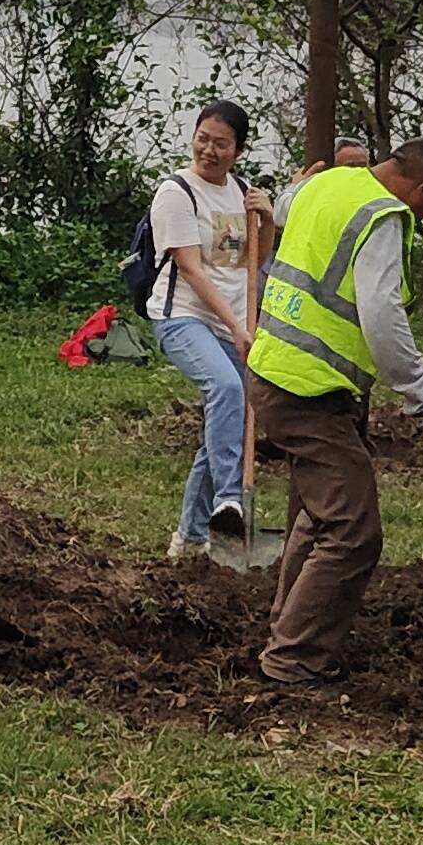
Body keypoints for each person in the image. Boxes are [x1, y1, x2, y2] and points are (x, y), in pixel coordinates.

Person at [241, 136, 423, 684]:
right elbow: (382, 318)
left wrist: (296, 184)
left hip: (273, 369)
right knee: (353, 531)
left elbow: (287, 205)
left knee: (321, 515)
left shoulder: (330, 182)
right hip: (309, 391)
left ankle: (287, 631)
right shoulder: (383, 216)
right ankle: (293, 660)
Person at [148, 100, 271, 557]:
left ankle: (190, 537)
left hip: (232, 323)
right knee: (225, 389)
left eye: (221, 143)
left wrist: (268, 219)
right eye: (203, 139)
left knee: (228, 422)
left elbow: (254, 262)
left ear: (238, 150)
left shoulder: (241, 192)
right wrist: (236, 328)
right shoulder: (176, 192)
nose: (209, 150)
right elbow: (193, 271)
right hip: (183, 317)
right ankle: (228, 499)